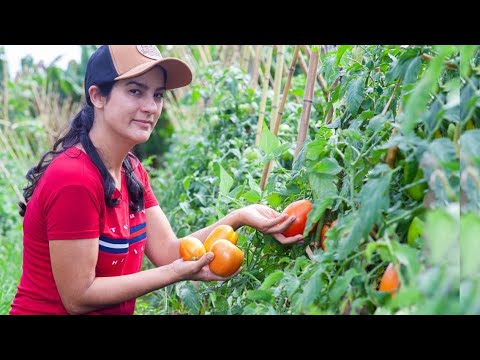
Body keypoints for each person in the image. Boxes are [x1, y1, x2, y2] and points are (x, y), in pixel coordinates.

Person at [9, 45, 304, 315]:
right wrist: (176, 273)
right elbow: (78, 296)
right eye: (136, 92)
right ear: (98, 96)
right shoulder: (74, 178)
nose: (151, 107)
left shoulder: (131, 171)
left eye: (158, 94)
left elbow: (168, 251)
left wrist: (238, 217)